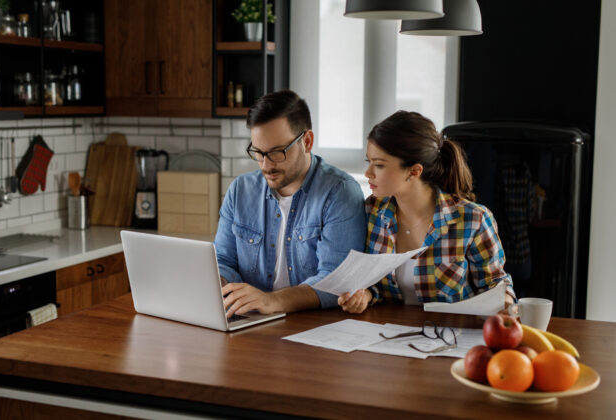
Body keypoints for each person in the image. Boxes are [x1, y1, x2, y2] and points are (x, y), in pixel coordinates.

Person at [338, 110, 515, 314]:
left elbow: (495, 285)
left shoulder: (473, 220)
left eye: (379, 165)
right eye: (369, 162)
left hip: (451, 336)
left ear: (414, 171)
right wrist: (366, 295)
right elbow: (372, 282)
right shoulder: (371, 212)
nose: (368, 173)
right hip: (386, 335)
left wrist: (506, 301)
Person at [216, 90, 366, 318]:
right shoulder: (240, 190)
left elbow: (335, 280)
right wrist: (217, 280)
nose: (265, 165)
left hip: (311, 328)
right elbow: (224, 260)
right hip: (248, 323)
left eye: (277, 152)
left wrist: (270, 300)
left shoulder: (340, 192)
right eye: (258, 152)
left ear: (306, 141)